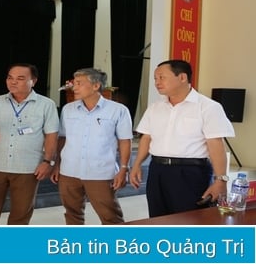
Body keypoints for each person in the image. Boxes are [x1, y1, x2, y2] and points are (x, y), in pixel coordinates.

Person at [130, 59, 235, 217]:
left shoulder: (208, 107)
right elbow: (146, 138)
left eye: (162, 77)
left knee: (189, 219)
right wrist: (137, 165)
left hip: (190, 172)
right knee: (157, 218)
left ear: (182, 77)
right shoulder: (155, 107)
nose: (157, 82)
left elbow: (215, 145)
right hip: (157, 169)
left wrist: (221, 180)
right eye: (155, 78)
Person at [0, 63, 59, 225]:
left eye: (20, 78)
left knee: (21, 213)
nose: (13, 82)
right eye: (10, 78)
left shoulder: (46, 104)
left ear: (33, 81)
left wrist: (47, 161)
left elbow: (52, 136)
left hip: (28, 168)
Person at [50, 68, 132, 225]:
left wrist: (123, 168)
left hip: (100, 173)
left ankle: (116, 247)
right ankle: (75, 246)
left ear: (96, 86)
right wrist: (57, 165)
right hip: (69, 172)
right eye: (74, 84)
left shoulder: (118, 110)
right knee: (72, 214)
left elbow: (125, 141)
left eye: (79, 83)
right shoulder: (68, 109)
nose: (74, 87)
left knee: (110, 216)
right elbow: (62, 138)